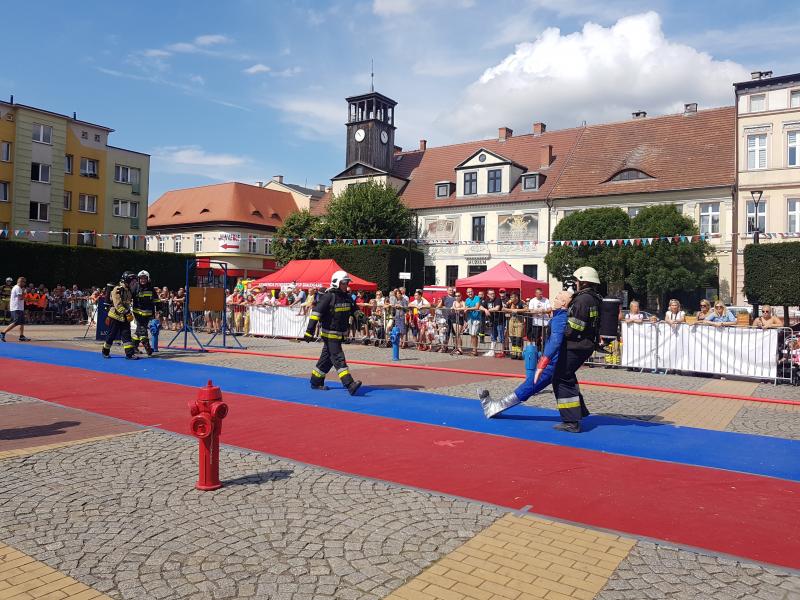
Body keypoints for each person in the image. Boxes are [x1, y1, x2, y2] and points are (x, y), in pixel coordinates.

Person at [479, 290, 573, 417]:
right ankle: (576, 415)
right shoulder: (562, 316)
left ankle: (496, 406)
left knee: (531, 385)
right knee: (567, 386)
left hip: (553, 362)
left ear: (563, 303)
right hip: (558, 361)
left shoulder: (560, 318)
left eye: (557, 298)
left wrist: (543, 363)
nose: (554, 300)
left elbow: (555, 342)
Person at [552, 266, 603, 433]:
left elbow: (575, 326)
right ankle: (579, 411)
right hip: (584, 344)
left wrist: (561, 334)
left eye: (577, 280)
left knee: (562, 378)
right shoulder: (594, 298)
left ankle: (571, 421)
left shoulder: (582, 300)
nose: (575, 283)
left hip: (576, 345)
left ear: (584, 281)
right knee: (566, 376)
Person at [303, 270, 362, 395]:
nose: (346, 285)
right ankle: (349, 384)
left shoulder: (347, 296)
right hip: (329, 334)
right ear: (336, 283)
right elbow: (316, 313)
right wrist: (309, 331)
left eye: (347, 283)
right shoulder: (329, 296)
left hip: (340, 334)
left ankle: (316, 381)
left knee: (327, 359)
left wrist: (361, 316)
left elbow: (354, 309)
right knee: (338, 358)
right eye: (344, 283)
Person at [101, 271, 137, 360]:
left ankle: (129, 354)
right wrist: (127, 312)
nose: (133, 283)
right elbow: (117, 305)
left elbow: (127, 303)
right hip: (115, 316)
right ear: (127, 280)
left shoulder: (128, 290)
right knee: (111, 335)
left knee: (126, 335)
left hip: (124, 316)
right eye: (132, 281)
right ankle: (105, 351)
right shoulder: (117, 289)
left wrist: (128, 312)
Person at [131, 270, 158, 355]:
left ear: (148, 279)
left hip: (148, 314)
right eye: (141, 278)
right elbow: (129, 296)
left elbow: (156, 299)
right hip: (138, 313)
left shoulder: (151, 288)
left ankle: (134, 348)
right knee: (142, 330)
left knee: (138, 331)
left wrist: (160, 308)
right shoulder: (135, 287)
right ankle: (148, 348)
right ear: (138, 279)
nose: (143, 280)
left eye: (144, 278)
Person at [1, 277, 30, 342]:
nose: (24, 283)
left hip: (19, 307)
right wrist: (25, 293)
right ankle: (3, 332)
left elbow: (20, 298)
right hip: (16, 308)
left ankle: (21, 336)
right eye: (24, 282)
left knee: (22, 322)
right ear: (20, 282)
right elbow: (20, 298)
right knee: (16, 322)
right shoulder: (17, 288)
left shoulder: (17, 288)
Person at [505, 291, 526, 359]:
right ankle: (514, 352)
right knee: (512, 336)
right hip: (511, 320)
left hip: (519, 320)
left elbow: (526, 309)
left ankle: (519, 353)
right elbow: (503, 308)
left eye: (512, 297)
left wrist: (517, 310)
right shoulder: (509, 303)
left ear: (516, 297)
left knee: (518, 337)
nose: (511, 298)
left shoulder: (521, 302)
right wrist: (510, 309)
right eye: (510, 297)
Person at [464, 288, 482, 356]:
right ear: (466, 293)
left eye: (471, 292)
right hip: (469, 319)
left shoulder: (477, 297)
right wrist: (465, 320)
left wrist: (468, 308)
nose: (470, 293)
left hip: (476, 319)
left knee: (474, 334)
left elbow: (477, 307)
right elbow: (465, 308)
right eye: (468, 292)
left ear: (473, 292)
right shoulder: (467, 300)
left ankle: (474, 350)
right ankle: (474, 349)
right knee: (472, 335)